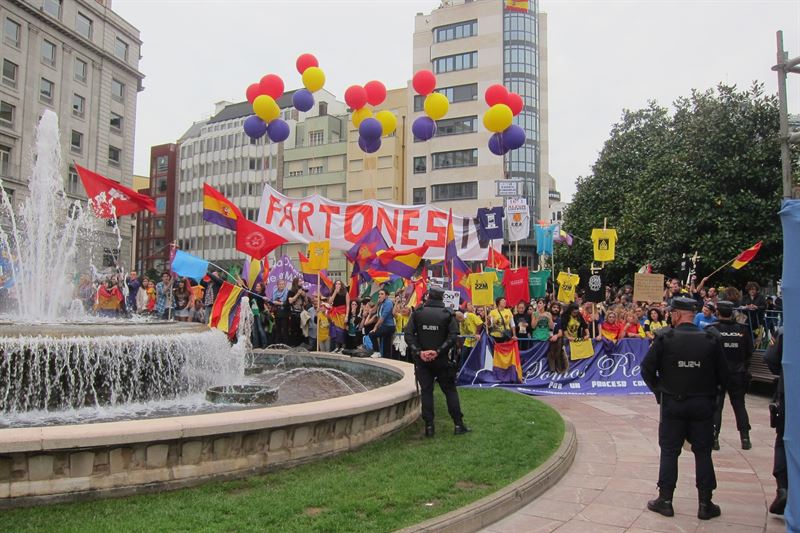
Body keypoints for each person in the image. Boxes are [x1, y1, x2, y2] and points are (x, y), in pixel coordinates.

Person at [641, 297, 728, 521]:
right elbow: (723, 376)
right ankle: (705, 503)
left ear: (678, 314)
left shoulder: (665, 338)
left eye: (671, 313)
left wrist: (659, 391)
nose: (669, 316)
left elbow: (646, 370)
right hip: (702, 404)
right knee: (703, 452)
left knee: (670, 451)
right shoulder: (711, 338)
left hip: (673, 403)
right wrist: (713, 399)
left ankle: (666, 500)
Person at [404, 286, 468, 437]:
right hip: (442, 360)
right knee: (450, 391)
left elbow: (408, 335)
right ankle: (458, 424)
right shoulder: (447, 314)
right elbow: (453, 336)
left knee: (427, 392)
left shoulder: (418, 313)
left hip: (423, 360)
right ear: (442, 298)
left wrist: (420, 352)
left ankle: (429, 427)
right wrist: (438, 351)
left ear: (428, 297)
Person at [706, 301, 753, 450]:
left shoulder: (712, 329)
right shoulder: (743, 330)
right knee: (739, 405)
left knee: (717, 407)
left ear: (717, 313)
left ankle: (714, 439)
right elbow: (749, 352)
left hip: (718, 375)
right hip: (738, 373)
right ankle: (745, 438)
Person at [764, 328, 787, 515]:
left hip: (790, 390)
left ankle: (783, 489)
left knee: (783, 439)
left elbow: (771, 359)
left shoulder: (785, 330)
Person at [369, 289, 395, 358]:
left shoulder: (388, 303)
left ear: (386, 296)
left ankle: (377, 352)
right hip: (383, 326)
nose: (379, 296)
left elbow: (383, 317)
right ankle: (386, 356)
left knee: (372, 334)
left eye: (382, 294)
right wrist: (377, 303)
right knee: (385, 344)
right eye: (379, 294)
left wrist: (375, 327)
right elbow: (372, 312)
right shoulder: (381, 304)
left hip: (389, 326)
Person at [456, 302, 483, 368]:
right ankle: (463, 371)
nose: (462, 322)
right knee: (463, 357)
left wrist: (477, 333)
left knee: (474, 358)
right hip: (467, 341)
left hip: (476, 341)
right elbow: (462, 334)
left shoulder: (471, 315)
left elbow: (480, 323)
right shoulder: (461, 322)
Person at [327, 280, 349, 353]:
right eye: (336, 284)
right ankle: (337, 347)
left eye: (339, 284)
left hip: (342, 313)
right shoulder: (332, 293)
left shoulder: (345, 293)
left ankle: (342, 347)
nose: (337, 285)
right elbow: (330, 302)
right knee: (335, 330)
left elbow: (348, 306)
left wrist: (346, 316)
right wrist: (335, 292)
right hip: (335, 314)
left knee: (341, 330)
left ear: (341, 285)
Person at [271, 279, 289, 345]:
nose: (281, 285)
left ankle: (285, 344)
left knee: (284, 329)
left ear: (285, 285)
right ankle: (278, 343)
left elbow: (287, 303)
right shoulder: (274, 291)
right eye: (280, 284)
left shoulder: (287, 292)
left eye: (282, 284)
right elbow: (272, 301)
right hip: (277, 312)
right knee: (277, 328)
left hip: (284, 313)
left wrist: (279, 303)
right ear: (277, 285)